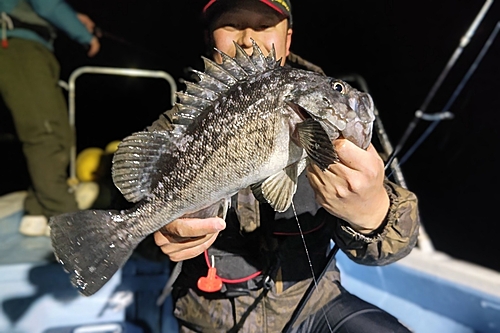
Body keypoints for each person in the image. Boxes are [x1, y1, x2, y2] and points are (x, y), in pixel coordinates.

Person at [147, 0, 420, 331]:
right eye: (231, 25)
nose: (247, 38)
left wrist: (373, 212)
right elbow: (133, 203)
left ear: (287, 39)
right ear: (210, 38)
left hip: (315, 302)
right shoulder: (178, 125)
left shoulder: (324, 112)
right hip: (213, 315)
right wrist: (159, 230)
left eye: (263, 25)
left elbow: (395, 245)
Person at [0, 0, 100, 236]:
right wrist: (83, 34)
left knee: (60, 135)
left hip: (31, 47)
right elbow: (47, 4)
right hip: (16, 45)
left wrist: (75, 17)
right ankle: (69, 223)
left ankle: (36, 212)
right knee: (45, 134)